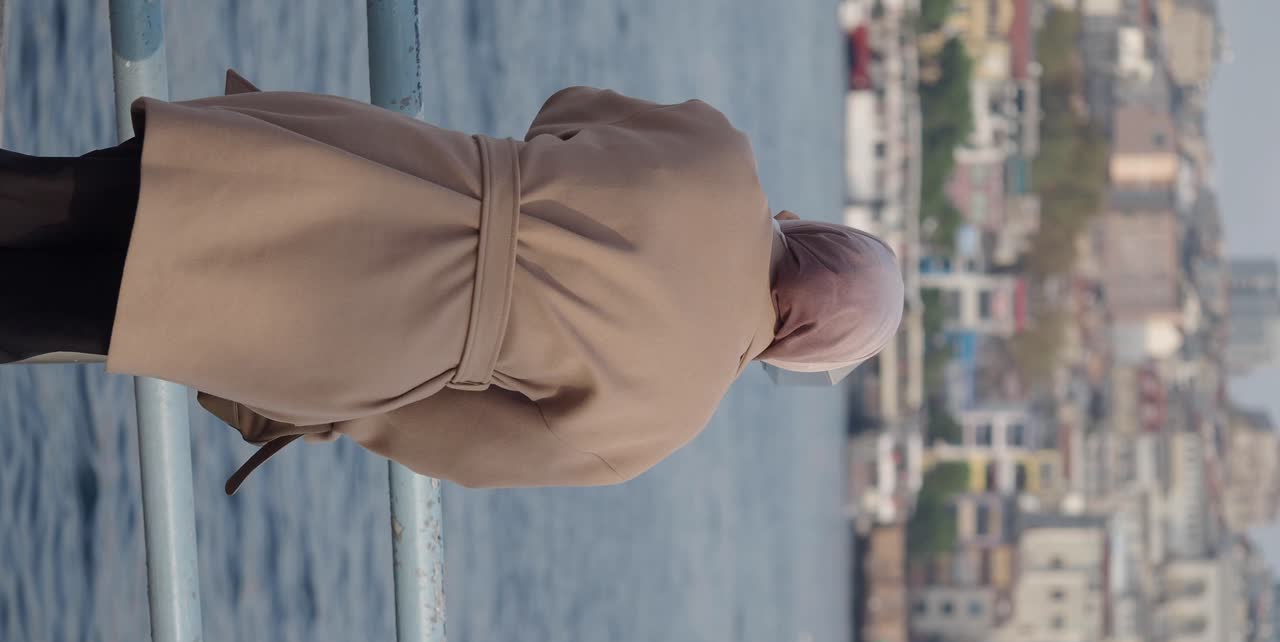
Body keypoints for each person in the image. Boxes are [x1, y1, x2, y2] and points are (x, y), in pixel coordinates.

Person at [1, 69, 905, 493]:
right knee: (64, 314)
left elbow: (566, 113)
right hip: (350, 332)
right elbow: (455, 444)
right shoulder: (666, 421)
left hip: (385, 175)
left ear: (815, 231)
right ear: (798, 350)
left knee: (59, 195)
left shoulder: (721, 158)